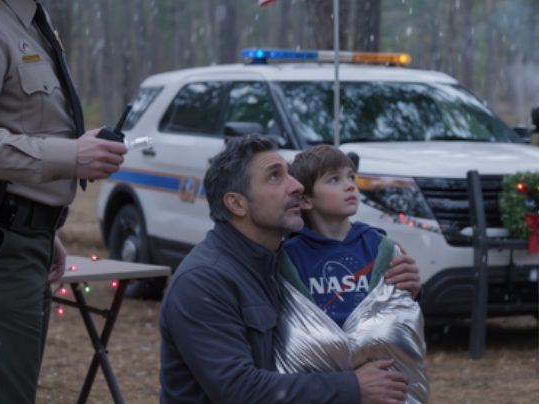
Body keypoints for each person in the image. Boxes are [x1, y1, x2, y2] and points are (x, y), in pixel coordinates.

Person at [0, 1, 127, 403]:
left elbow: (18, 122)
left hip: (11, 231)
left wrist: (40, 224)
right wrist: (72, 157)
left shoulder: (31, 19)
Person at [159, 134, 414, 404]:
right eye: (274, 177)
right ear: (236, 204)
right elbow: (239, 390)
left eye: (290, 175)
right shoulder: (203, 282)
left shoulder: (277, 263)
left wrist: (395, 289)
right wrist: (352, 387)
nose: (296, 186)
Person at [281, 144, 421, 326]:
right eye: (334, 179)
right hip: (321, 351)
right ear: (306, 200)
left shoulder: (378, 245)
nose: (349, 186)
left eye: (351, 177)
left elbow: (400, 306)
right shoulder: (290, 255)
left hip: (377, 351)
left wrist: (413, 290)